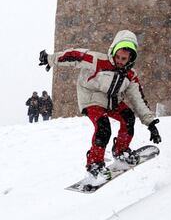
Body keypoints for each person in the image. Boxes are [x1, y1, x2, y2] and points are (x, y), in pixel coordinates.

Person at [38, 30, 161, 181]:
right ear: (113, 51)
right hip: (91, 98)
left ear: (130, 58)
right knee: (103, 127)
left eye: (124, 58)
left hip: (112, 101)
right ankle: (94, 164)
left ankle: (121, 151)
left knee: (128, 117)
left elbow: (138, 99)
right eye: (118, 57)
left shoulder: (130, 75)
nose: (120, 61)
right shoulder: (97, 60)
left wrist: (150, 123)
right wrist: (50, 59)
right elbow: (74, 56)